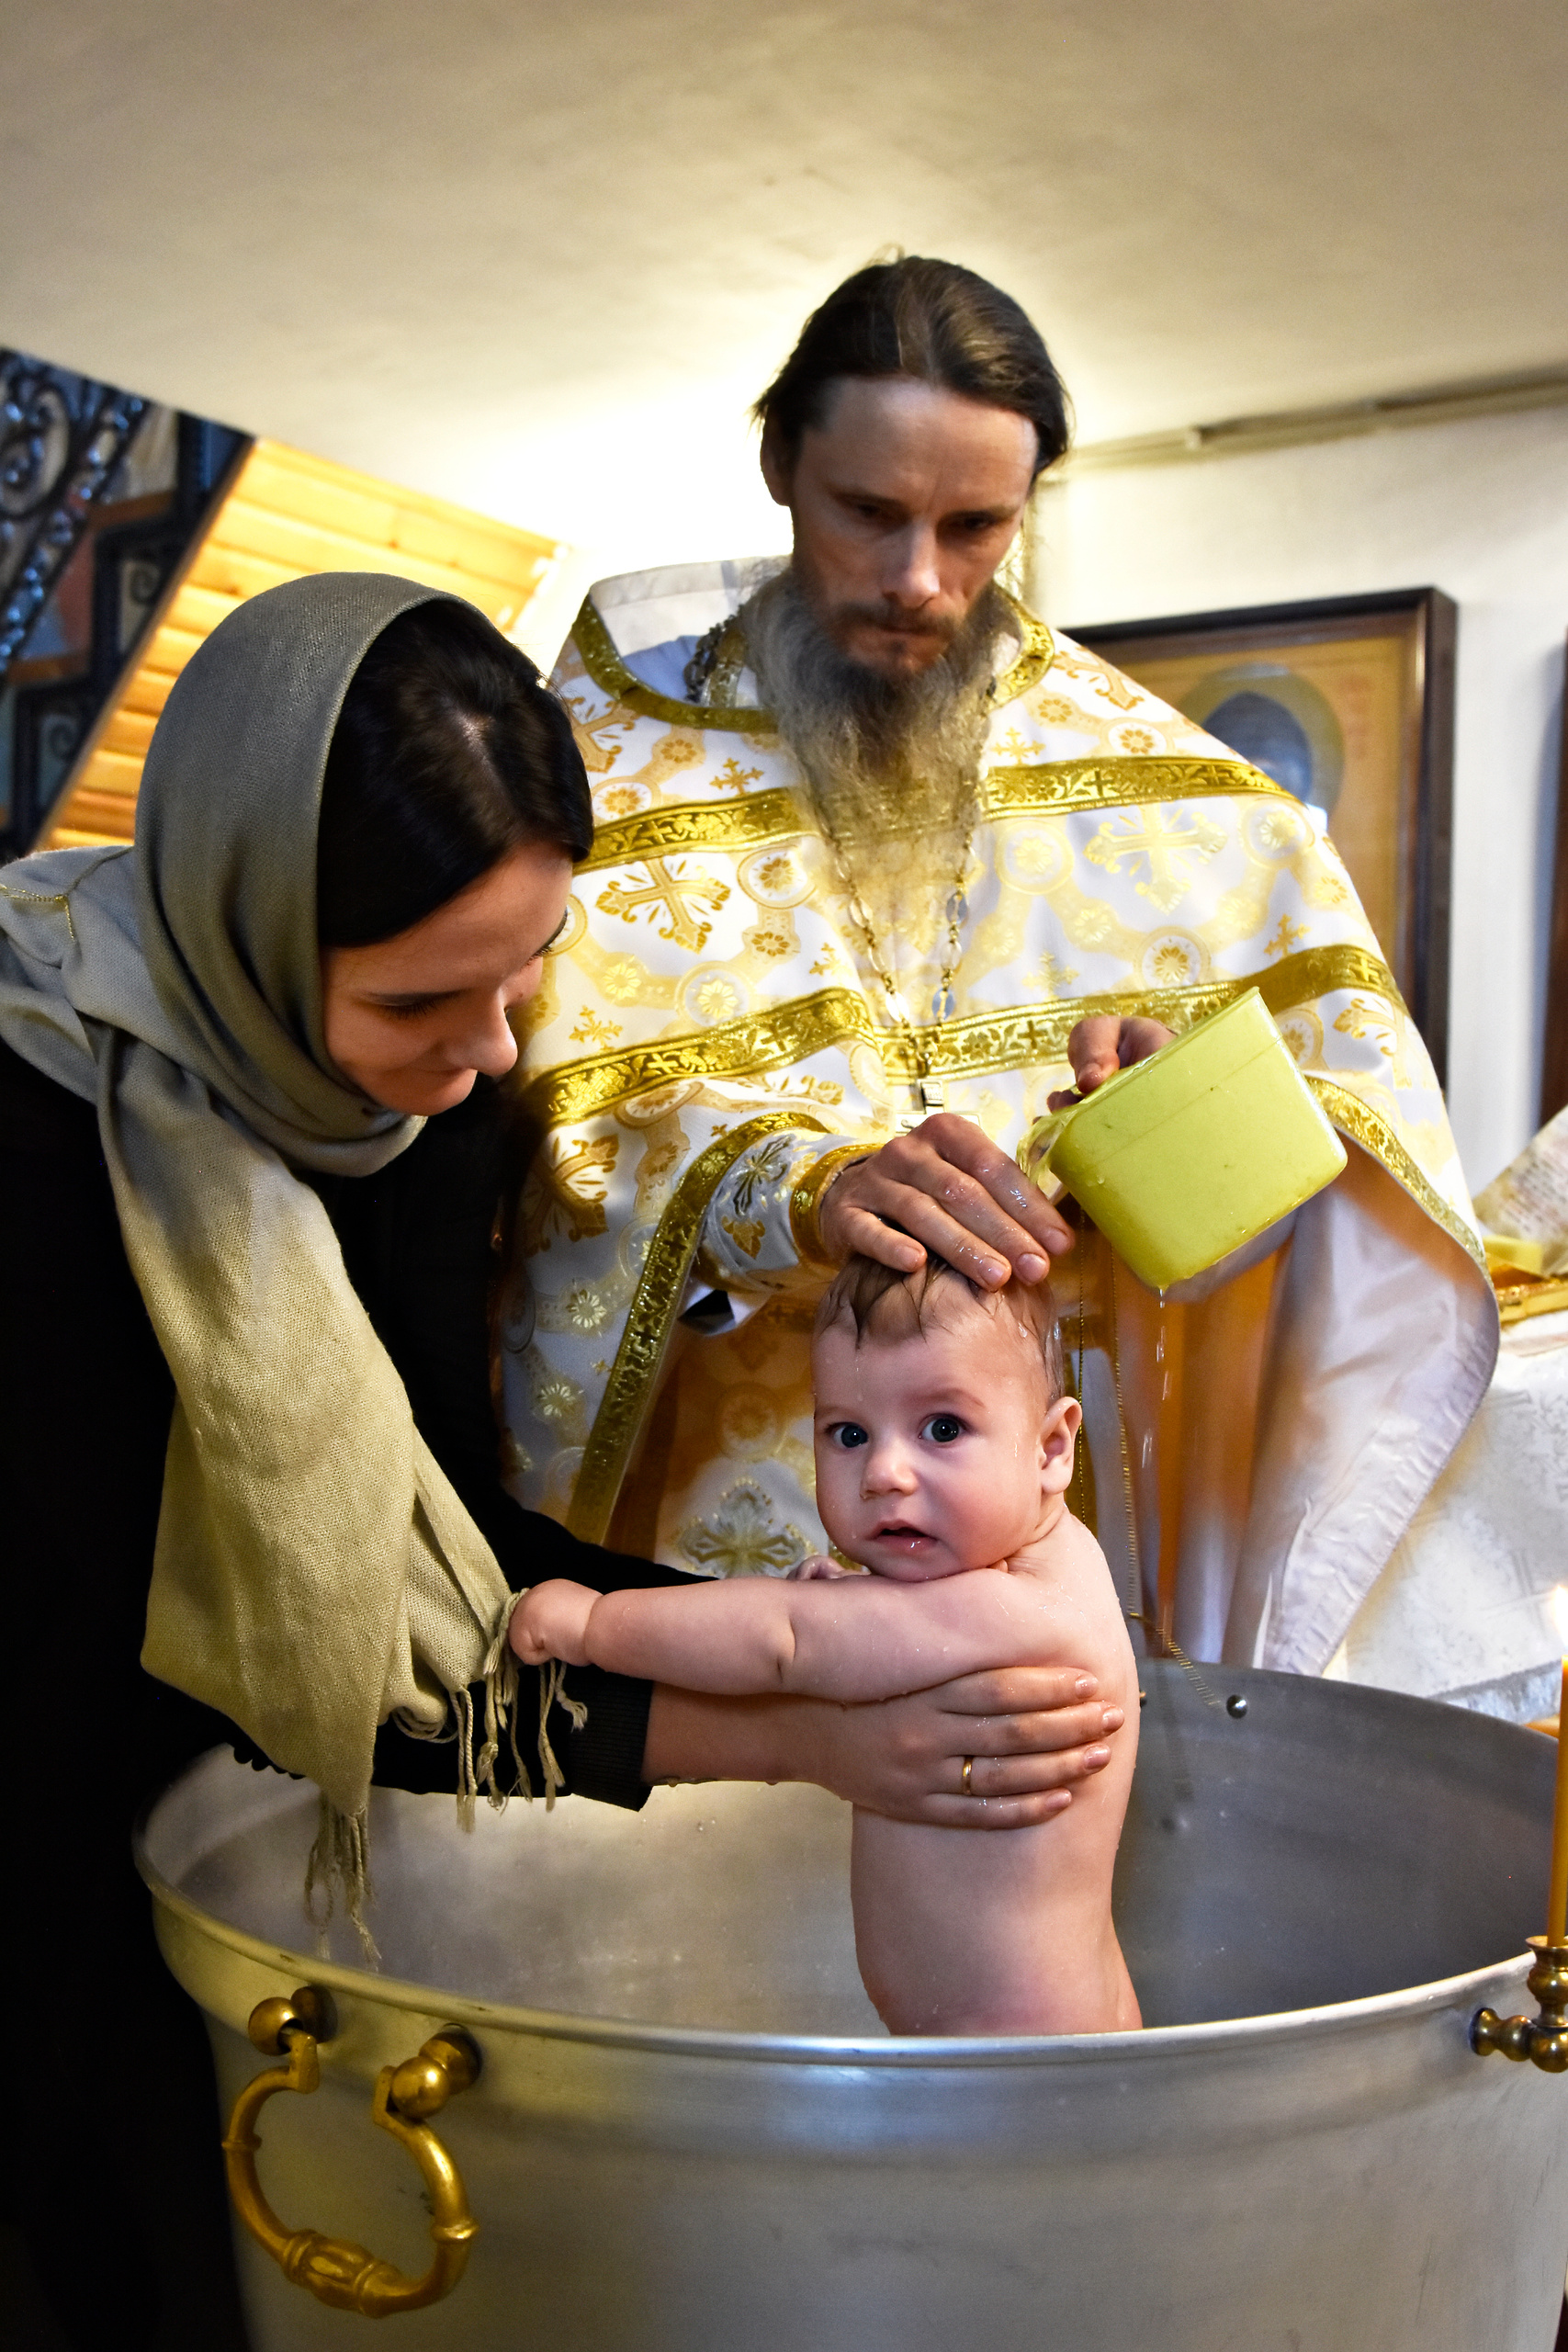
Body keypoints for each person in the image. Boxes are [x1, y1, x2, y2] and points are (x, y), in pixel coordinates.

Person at [0, 571, 1119, 2350]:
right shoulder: (51, 1144)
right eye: (429, 999)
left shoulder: (419, 1102)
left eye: (531, 972)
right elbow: (333, 1629)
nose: (493, 1053)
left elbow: (437, 1533)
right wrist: (800, 1726)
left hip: (210, 1820)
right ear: (243, 920)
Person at [505, 254, 1496, 1674]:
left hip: (1050, 1573)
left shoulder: (1177, 801)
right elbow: (507, 1141)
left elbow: (1361, 1172)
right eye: (868, 513)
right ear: (781, 463)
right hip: (717, 1578)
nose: (920, 580)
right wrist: (782, 1188)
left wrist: (1192, 1124)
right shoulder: (598, 777)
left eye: (976, 526)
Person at [514, 1252, 1140, 2036]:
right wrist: (858, 1606)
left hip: (1014, 2058)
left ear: (1051, 1449)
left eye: (942, 1428)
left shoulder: (1022, 1609)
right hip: (1037, 2036)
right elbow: (880, 1637)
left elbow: (783, 1640)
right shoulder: (1044, 1568)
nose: (884, 1472)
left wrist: (593, 1626)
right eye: (848, 1432)